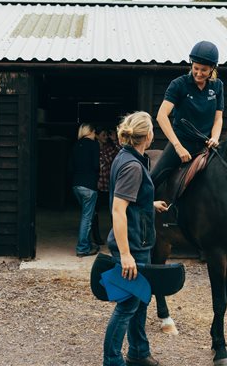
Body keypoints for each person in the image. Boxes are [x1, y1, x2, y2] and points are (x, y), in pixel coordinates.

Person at [103, 112, 169, 366]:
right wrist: (126, 254)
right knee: (127, 306)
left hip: (139, 242)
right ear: (148, 135)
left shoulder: (130, 157)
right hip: (131, 246)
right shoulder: (132, 166)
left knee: (140, 299)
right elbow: (118, 210)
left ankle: (139, 353)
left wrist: (149, 204)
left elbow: (129, 202)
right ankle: (112, 360)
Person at [150, 40, 225, 189]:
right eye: (195, 68)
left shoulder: (218, 86)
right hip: (181, 142)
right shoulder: (178, 84)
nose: (198, 73)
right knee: (152, 181)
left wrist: (215, 137)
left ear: (212, 69)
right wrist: (177, 146)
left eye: (204, 70)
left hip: (205, 145)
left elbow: (218, 118)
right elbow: (161, 115)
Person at [71, 123, 100, 257]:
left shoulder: (76, 145)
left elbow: (70, 166)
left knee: (86, 215)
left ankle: (87, 244)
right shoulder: (94, 145)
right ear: (91, 132)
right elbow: (95, 165)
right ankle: (82, 248)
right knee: (87, 218)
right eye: (95, 133)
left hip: (76, 185)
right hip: (89, 186)